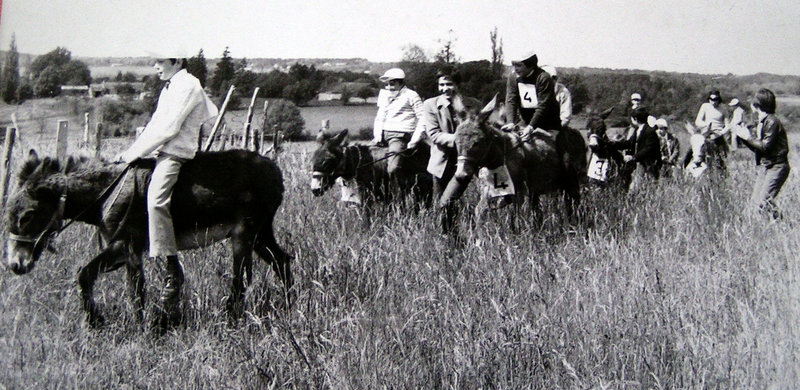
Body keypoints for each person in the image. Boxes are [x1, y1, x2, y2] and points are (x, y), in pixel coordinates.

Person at [113, 49, 219, 322]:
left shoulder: (189, 86)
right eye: (155, 61)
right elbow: (153, 125)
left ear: (177, 61)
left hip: (175, 153)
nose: (155, 66)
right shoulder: (171, 86)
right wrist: (130, 153)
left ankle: (171, 267)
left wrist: (134, 154)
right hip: (159, 151)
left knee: (155, 201)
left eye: (160, 61)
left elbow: (169, 129)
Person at [418, 67, 464, 232]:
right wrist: (461, 139)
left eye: (449, 84)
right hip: (440, 164)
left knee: (448, 202)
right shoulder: (430, 104)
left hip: (464, 164)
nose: (445, 88)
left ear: (458, 84)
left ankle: (459, 234)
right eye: (441, 84)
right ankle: (447, 238)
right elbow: (434, 135)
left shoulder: (471, 104)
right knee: (441, 206)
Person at [733, 89, 790, 219]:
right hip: (767, 166)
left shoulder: (772, 122)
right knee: (755, 204)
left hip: (776, 166)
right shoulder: (765, 121)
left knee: (763, 202)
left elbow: (765, 147)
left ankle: (783, 224)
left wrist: (747, 138)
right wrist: (743, 137)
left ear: (757, 105)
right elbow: (758, 149)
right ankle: (782, 224)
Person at [372, 68, 424, 180]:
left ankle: (400, 193)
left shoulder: (411, 95)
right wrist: (377, 136)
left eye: (392, 84)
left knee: (392, 168)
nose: (389, 87)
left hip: (399, 136)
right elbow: (380, 117)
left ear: (401, 83)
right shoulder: (386, 96)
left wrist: (414, 140)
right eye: (387, 84)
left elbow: (423, 118)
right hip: (383, 135)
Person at [502, 51, 560, 141]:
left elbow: (543, 106)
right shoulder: (513, 77)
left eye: (519, 65)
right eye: (514, 65)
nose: (516, 69)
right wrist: (510, 122)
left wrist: (531, 127)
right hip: (525, 122)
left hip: (548, 124)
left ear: (530, 64)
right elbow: (511, 100)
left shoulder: (543, 78)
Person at [608, 107, 662, 191]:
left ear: (635, 119)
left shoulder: (650, 132)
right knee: (636, 186)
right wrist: (612, 144)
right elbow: (629, 143)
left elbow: (648, 148)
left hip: (649, 165)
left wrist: (633, 157)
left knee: (649, 187)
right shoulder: (638, 130)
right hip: (639, 164)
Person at [694, 90, 730, 155]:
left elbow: (728, 125)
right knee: (695, 148)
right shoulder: (705, 106)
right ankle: (683, 163)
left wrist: (721, 133)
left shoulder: (723, 108)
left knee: (722, 153)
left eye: (715, 99)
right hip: (706, 131)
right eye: (711, 99)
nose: (713, 101)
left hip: (718, 133)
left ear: (719, 99)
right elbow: (697, 121)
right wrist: (705, 124)